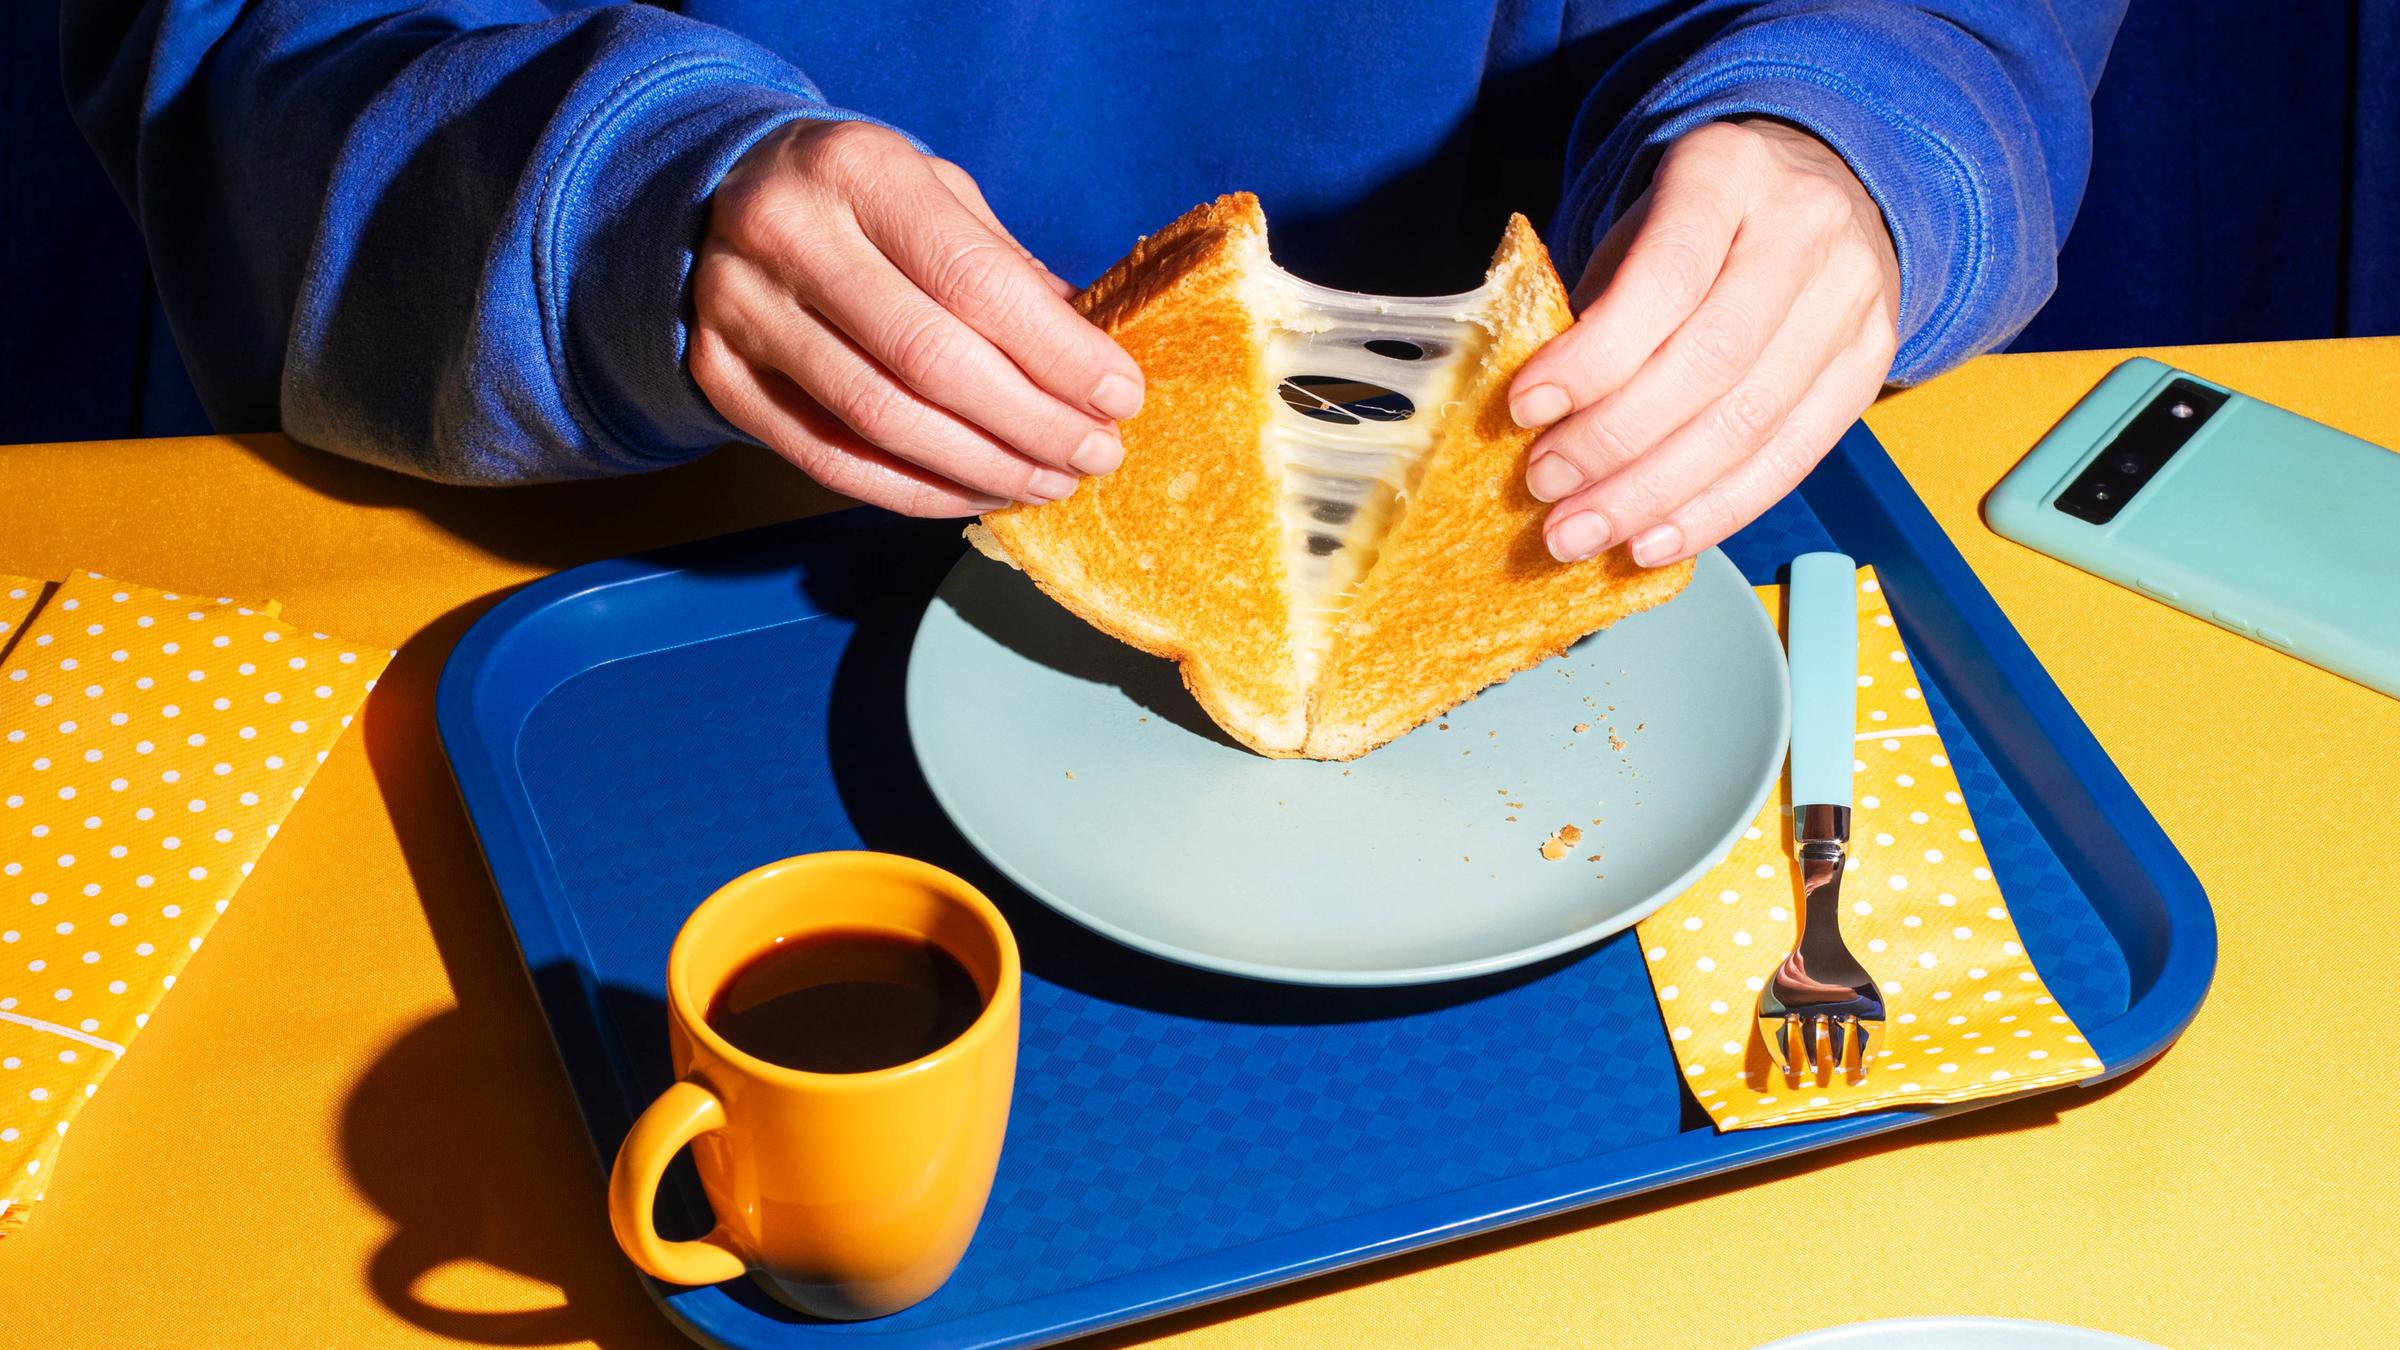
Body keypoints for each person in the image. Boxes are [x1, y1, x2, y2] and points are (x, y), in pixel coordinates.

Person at [64, 1, 2124, 566]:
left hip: (1580, 577)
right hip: (624, 558)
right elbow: (242, 54)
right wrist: (626, 201)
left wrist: (1868, 127)